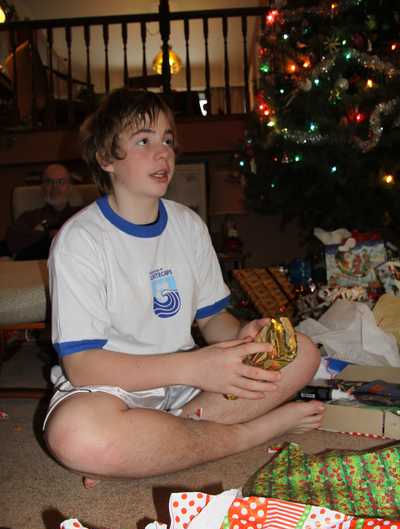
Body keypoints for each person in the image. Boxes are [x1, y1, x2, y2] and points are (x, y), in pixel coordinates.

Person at [43, 88, 325, 488]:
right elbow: (82, 365)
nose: (163, 153)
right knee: (76, 435)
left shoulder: (188, 225)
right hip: (112, 391)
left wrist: (242, 336)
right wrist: (197, 368)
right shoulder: (80, 239)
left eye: (168, 140)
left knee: (303, 352)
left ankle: (159, 441)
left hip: (186, 392)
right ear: (106, 158)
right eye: (144, 141)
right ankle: (252, 433)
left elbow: (212, 318)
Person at [6, 163, 81, 260]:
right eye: (49, 182)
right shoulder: (29, 217)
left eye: (61, 182)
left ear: (70, 187)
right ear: (42, 187)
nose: (55, 187)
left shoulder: (81, 215)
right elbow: (12, 240)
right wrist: (47, 235)